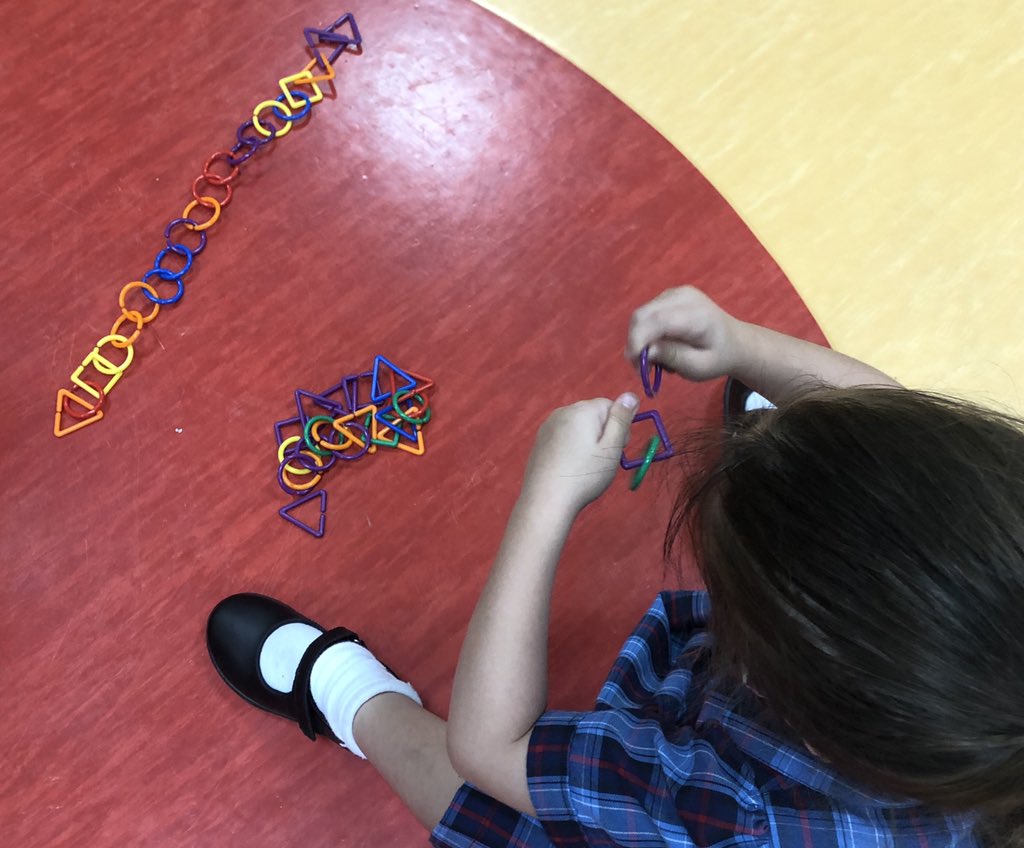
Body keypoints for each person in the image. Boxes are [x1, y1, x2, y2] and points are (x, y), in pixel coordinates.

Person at [207, 286, 1023, 846]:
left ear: (776, 672)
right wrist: (743, 343)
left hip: (670, 805)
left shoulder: (729, 815)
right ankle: (799, 468)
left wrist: (545, 503)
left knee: (501, 813)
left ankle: (345, 692)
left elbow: (489, 748)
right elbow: (898, 432)